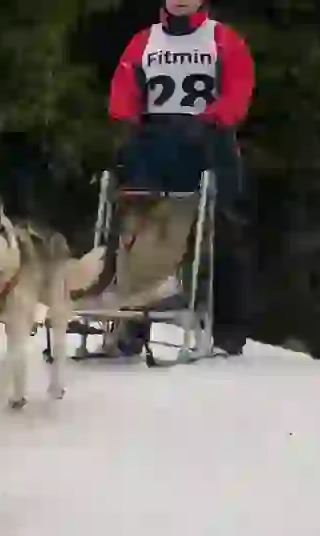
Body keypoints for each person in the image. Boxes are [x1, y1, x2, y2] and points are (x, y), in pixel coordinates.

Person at [106, 0, 255, 356]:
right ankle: (132, 320)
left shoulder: (222, 39)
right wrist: (129, 119)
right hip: (154, 143)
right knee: (139, 230)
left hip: (208, 143)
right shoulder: (145, 41)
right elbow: (123, 90)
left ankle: (227, 325)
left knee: (222, 231)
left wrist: (212, 119)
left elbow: (239, 89)